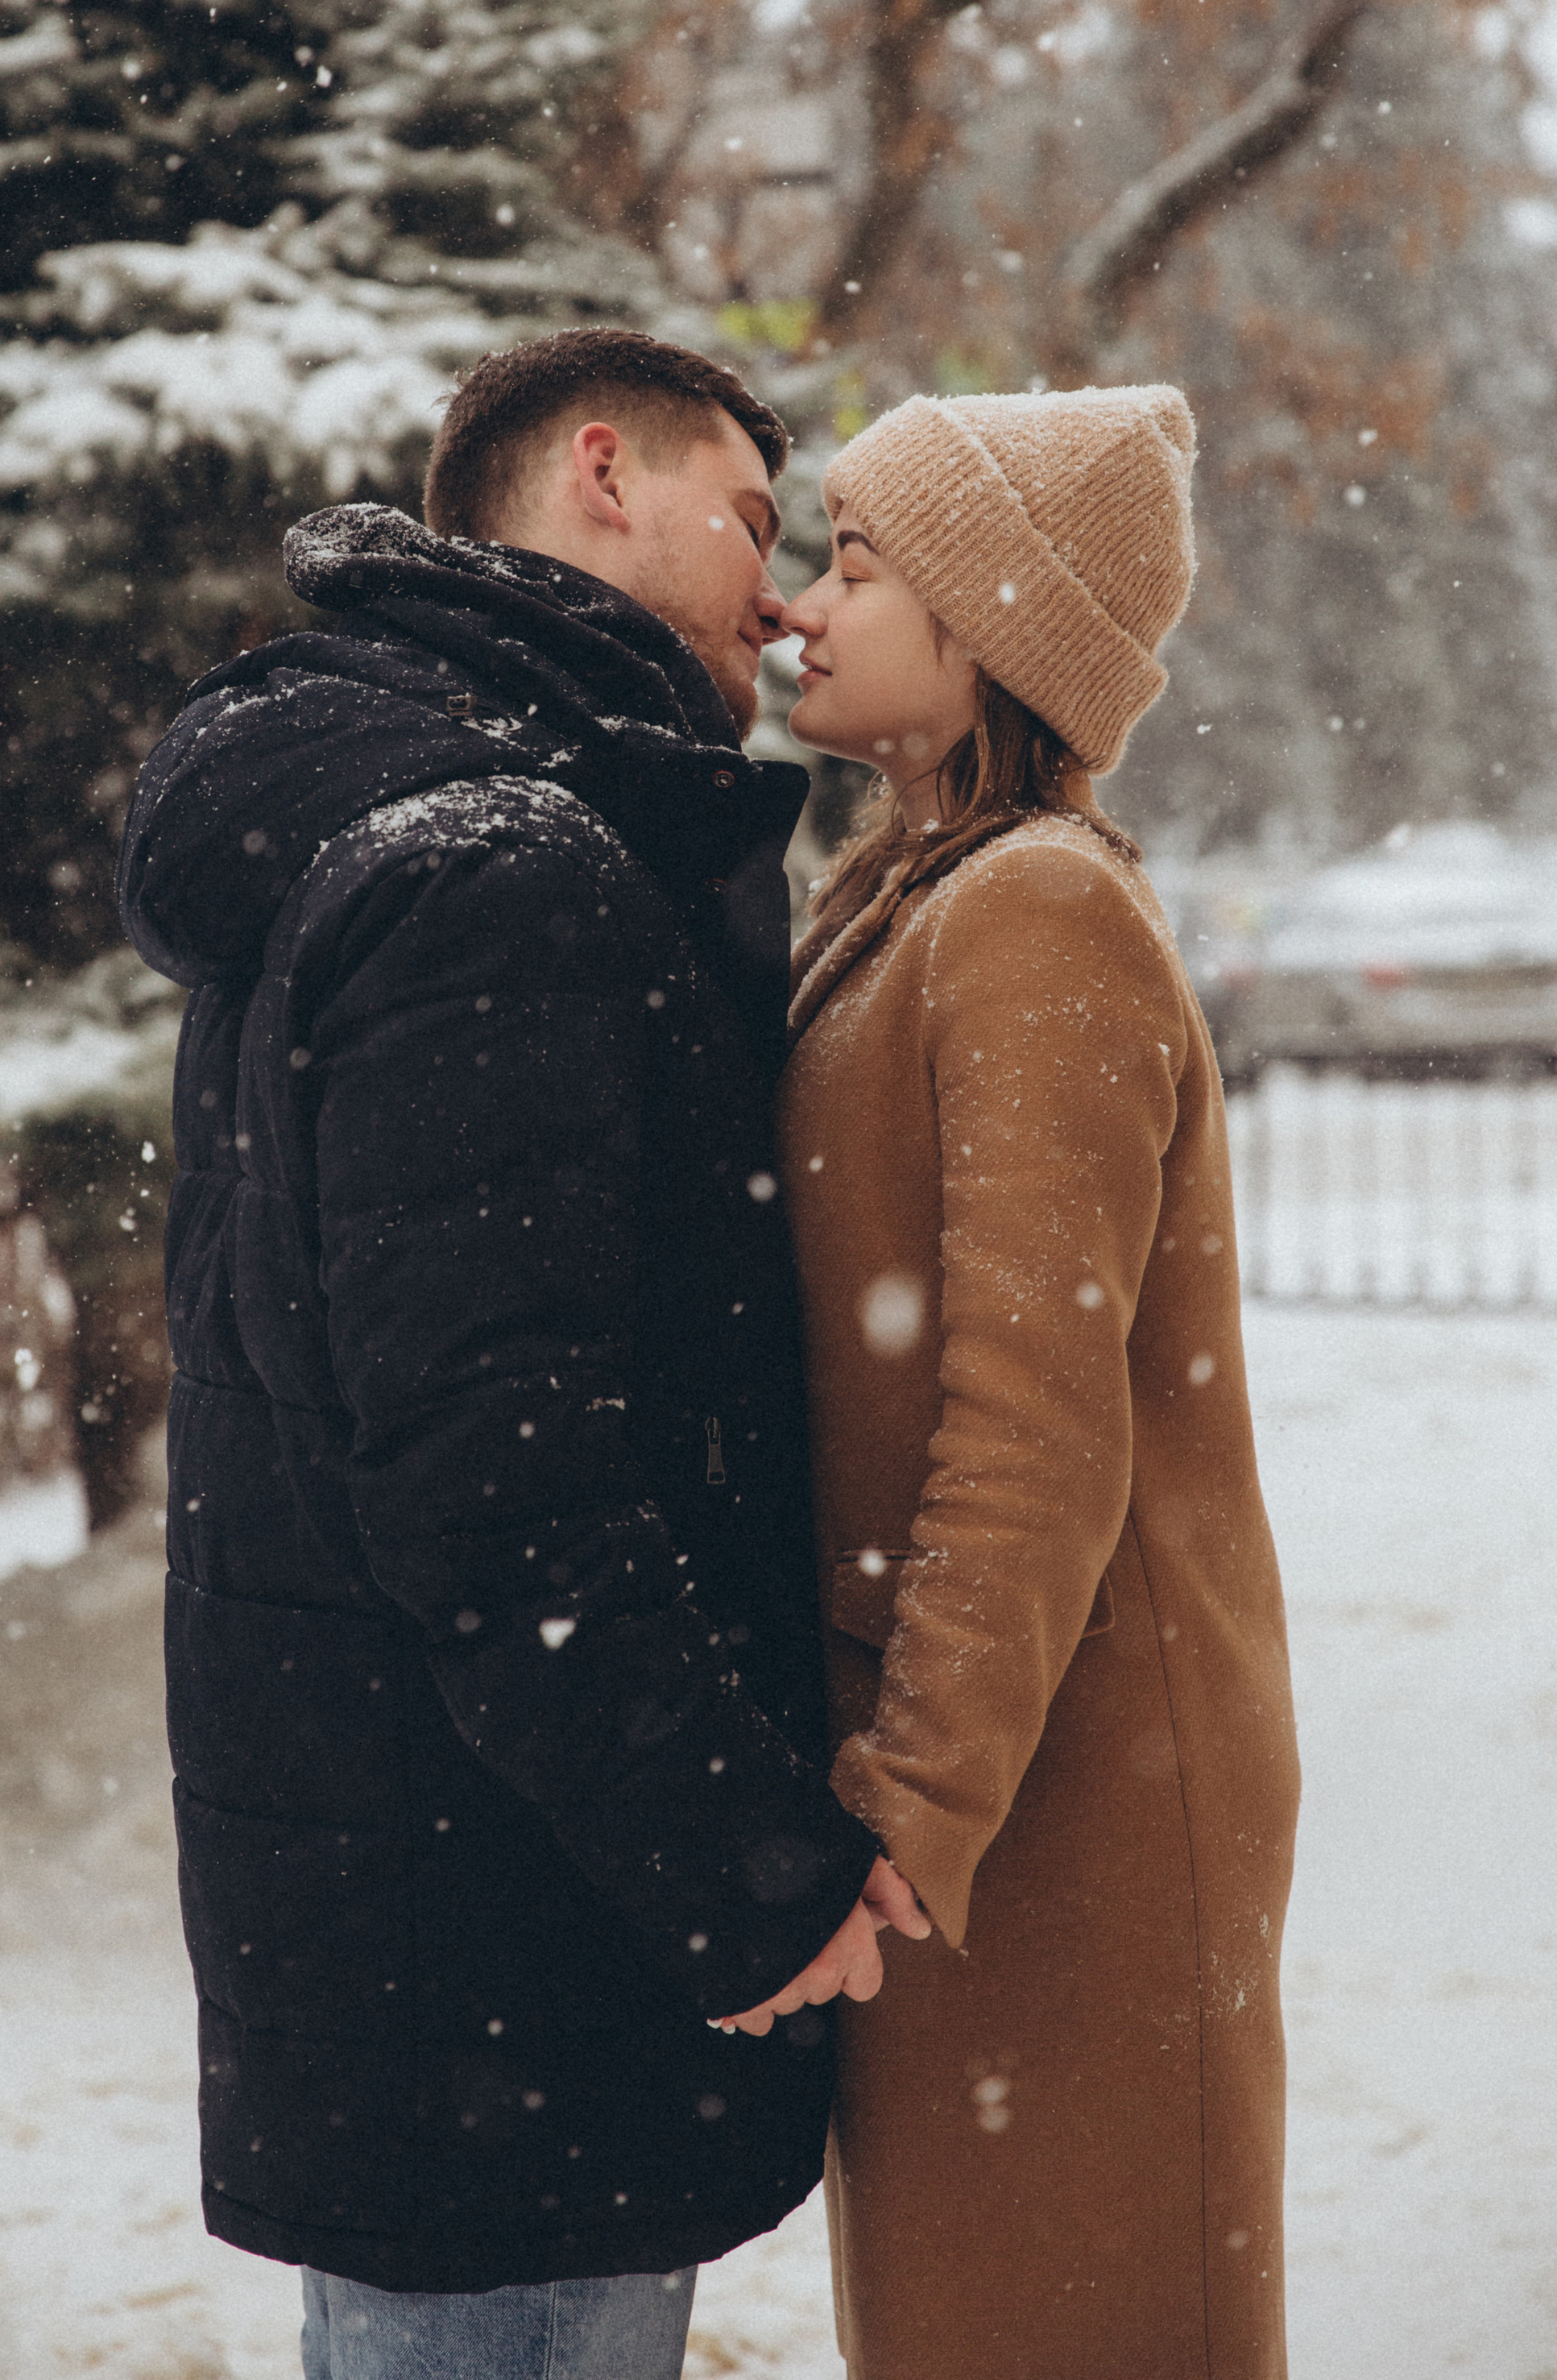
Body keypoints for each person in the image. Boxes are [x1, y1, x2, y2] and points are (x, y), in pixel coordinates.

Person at [116, 329, 922, 2380]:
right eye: (751, 516)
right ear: (596, 472)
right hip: (502, 1943)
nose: (775, 589)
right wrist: (740, 1868)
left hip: (434, 1891)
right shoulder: (501, 867)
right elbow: (497, 1471)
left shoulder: (406, 817)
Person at [765, 384, 1301, 2380]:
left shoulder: (1032, 912)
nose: (802, 610)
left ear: (989, 617)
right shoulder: (912, 890)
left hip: (1064, 1788)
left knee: (1063, 2327)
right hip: (994, 1771)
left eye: (856, 562)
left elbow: (1034, 1418)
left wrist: (914, 1800)